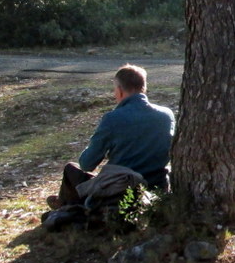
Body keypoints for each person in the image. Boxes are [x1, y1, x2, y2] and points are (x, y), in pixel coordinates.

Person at [49, 64, 175, 209]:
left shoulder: (113, 119)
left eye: (115, 89)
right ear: (143, 87)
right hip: (156, 186)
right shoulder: (167, 115)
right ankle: (65, 205)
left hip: (120, 188)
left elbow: (86, 164)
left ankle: (67, 208)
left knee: (71, 169)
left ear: (120, 91)